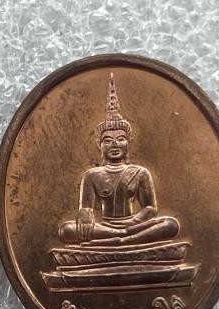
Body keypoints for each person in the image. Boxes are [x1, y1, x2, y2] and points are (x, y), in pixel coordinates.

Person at [58, 73, 179, 246]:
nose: (114, 144)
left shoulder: (140, 173)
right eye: (107, 140)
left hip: (134, 225)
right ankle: (124, 238)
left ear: (128, 143)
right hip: (104, 227)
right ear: (99, 145)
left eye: (120, 139)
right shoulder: (91, 175)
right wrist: (84, 214)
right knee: (67, 230)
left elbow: (150, 208)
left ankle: (124, 238)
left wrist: (132, 223)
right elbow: (86, 208)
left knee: (170, 224)